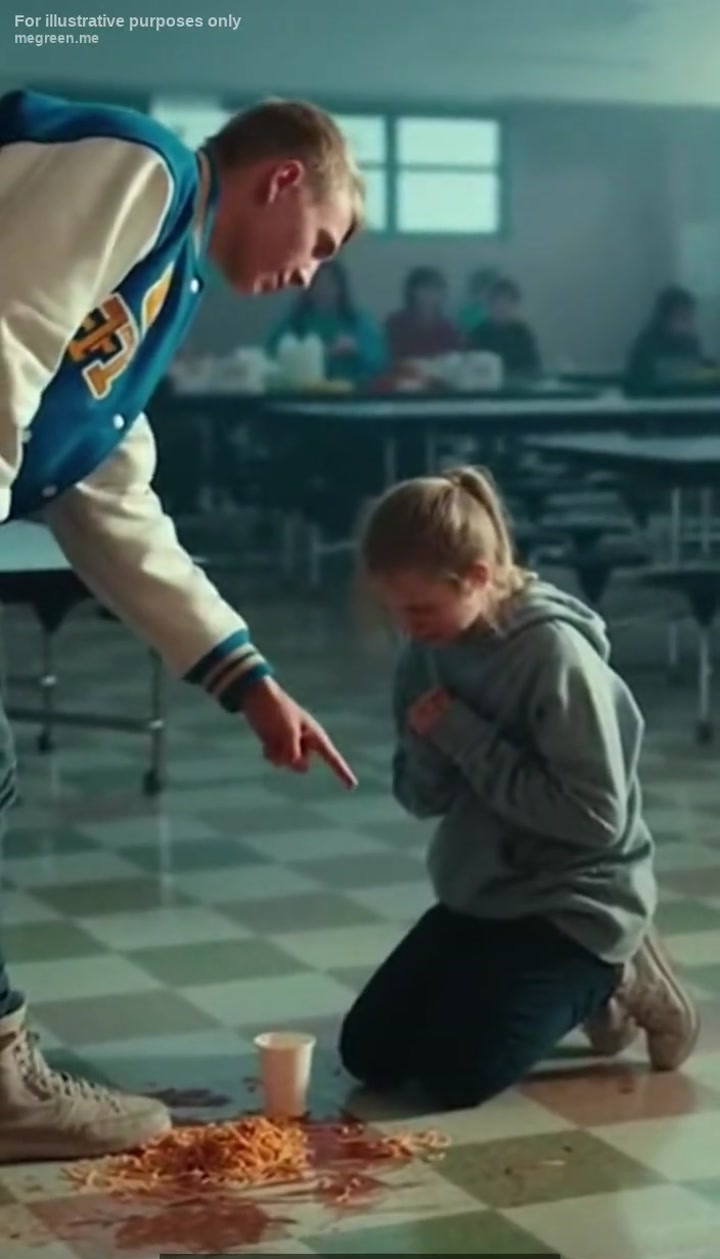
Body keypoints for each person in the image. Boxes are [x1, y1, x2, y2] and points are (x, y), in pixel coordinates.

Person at [0, 89, 363, 1163]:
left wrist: (250, 681)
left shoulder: (162, 286)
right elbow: (6, 342)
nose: (312, 274)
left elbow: (107, 495)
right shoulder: (142, 169)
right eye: (323, 242)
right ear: (282, 178)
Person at [339, 468, 698, 1110]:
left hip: (575, 898)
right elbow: (422, 799)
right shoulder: (425, 650)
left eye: (420, 609)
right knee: (370, 1055)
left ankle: (623, 970)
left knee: (456, 1077)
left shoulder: (554, 655)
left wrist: (464, 736)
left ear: (478, 577)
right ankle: (542, 989)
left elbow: (596, 820)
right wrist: (430, 743)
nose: (407, 627)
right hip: (484, 891)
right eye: (395, 610)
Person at [268, 261, 385, 385]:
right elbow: (271, 356)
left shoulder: (357, 321)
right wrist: (317, 354)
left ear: (341, 289)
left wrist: (356, 349)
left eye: (330, 284)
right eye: (318, 284)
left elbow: (379, 361)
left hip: (351, 392)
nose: (324, 289)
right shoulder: (295, 322)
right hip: (302, 391)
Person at [625, 286, 707, 393]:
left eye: (689, 317)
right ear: (665, 318)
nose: (688, 323)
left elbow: (696, 376)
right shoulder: (645, 345)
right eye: (682, 317)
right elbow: (638, 382)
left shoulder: (691, 343)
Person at [468, 277, 541, 383]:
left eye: (508, 302)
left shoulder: (523, 333)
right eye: (498, 302)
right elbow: (470, 370)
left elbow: (534, 367)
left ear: (514, 306)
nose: (503, 307)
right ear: (490, 305)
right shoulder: (478, 333)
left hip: (519, 388)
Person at [385, 267, 461, 365]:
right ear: (412, 291)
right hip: (406, 371)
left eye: (436, 290)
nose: (430, 295)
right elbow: (394, 358)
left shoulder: (447, 326)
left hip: (440, 371)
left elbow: (454, 356)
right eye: (425, 289)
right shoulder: (396, 322)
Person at [456, 267, 499, 337]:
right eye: (482, 289)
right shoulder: (466, 314)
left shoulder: (501, 313)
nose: (487, 293)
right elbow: (464, 336)